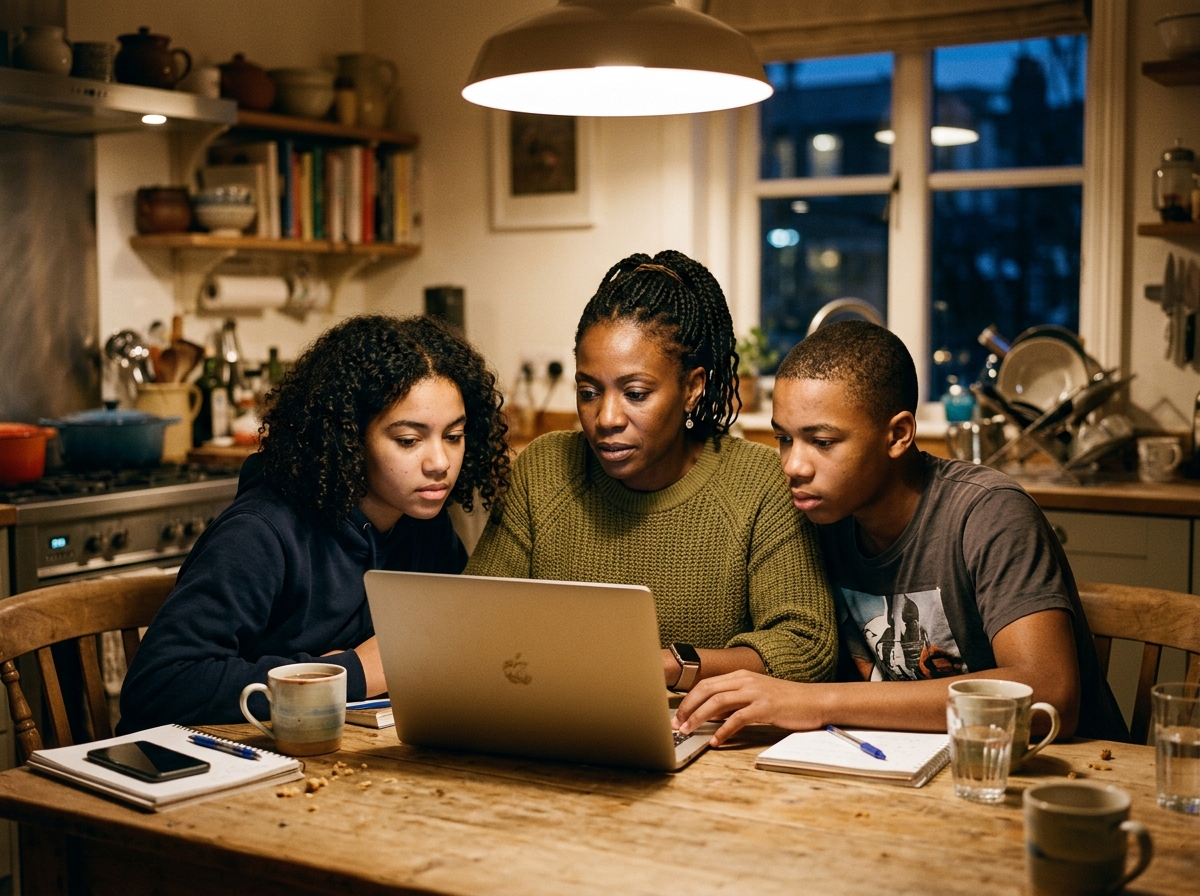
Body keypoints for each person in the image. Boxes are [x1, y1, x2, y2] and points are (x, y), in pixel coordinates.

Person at [673, 320, 1128, 744]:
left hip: (1057, 771)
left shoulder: (988, 513)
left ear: (898, 435)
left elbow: (1049, 695)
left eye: (823, 442)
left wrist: (818, 701)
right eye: (784, 439)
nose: (793, 466)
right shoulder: (818, 514)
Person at [118, 314, 510, 732]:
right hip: (224, 762)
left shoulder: (423, 523)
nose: (440, 463)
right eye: (409, 440)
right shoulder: (260, 533)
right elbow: (158, 685)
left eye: (453, 436)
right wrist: (354, 672)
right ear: (349, 437)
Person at [465, 250, 837, 689]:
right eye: (588, 392)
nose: (606, 418)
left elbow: (806, 646)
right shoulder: (545, 469)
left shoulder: (757, 482)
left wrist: (673, 667)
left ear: (692, 388)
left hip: (693, 722)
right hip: (551, 710)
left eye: (636, 393)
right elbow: (474, 618)